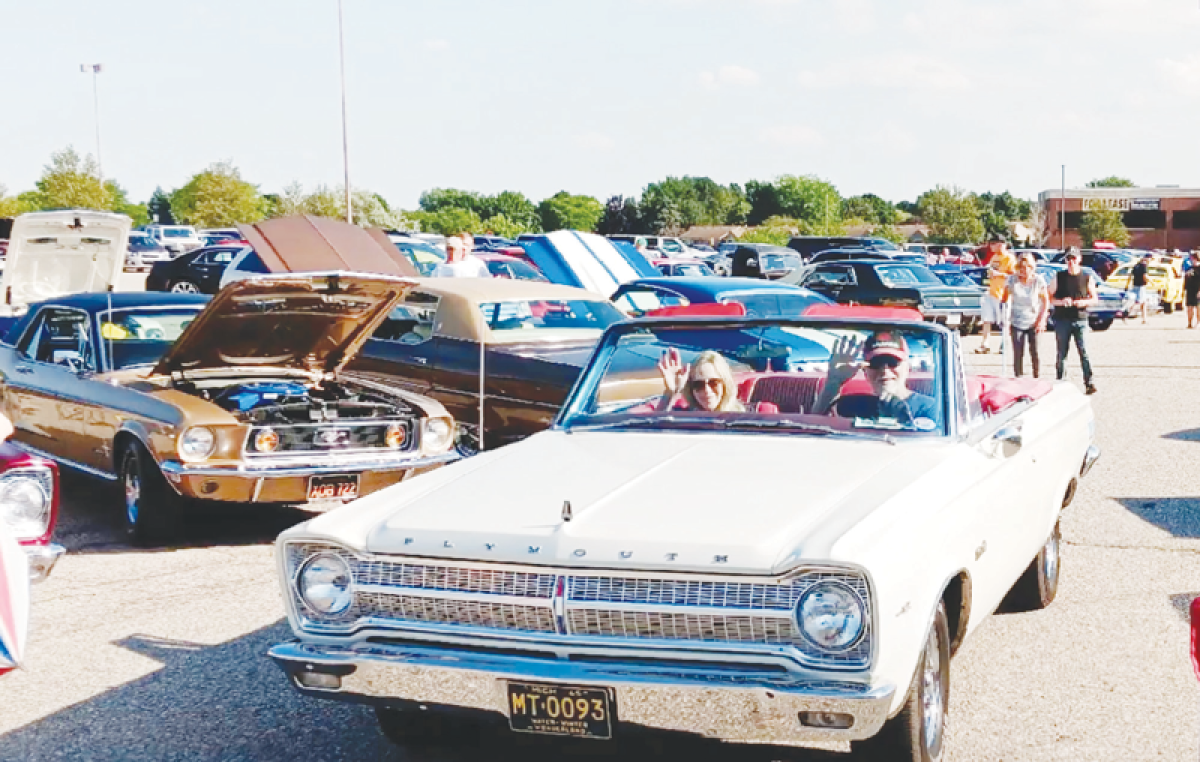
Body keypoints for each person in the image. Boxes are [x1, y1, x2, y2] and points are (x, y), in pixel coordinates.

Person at [814, 331, 938, 428]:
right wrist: (833, 382)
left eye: (892, 362)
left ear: (908, 367)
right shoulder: (852, 405)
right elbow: (812, 428)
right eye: (876, 363)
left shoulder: (930, 408)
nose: (885, 370)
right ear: (865, 371)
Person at [1052, 247, 1097, 394]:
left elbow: (1094, 299)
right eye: (1068, 259)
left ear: (1079, 259)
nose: (1071, 262)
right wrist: (1061, 302)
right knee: (1062, 353)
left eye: (1074, 258)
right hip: (1062, 319)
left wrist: (1083, 302)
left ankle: (1089, 382)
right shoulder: (1058, 277)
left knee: (1084, 352)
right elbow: (1048, 297)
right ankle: (1060, 382)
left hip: (1080, 319)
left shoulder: (1087, 277)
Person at [1003, 253, 1049, 377]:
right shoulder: (1012, 280)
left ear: (1032, 267)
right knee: (1018, 352)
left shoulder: (1038, 281)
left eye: (1027, 267)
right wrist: (1005, 319)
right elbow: (1005, 299)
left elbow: (1045, 301)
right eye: (1021, 267)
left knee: (1036, 352)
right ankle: (1019, 376)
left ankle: (1037, 376)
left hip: (1034, 320)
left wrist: (1042, 320)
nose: (1024, 270)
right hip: (1017, 320)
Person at [656, 348, 745, 412]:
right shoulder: (685, 418)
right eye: (698, 385)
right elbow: (656, 428)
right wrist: (670, 392)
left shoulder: (746, 419)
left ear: (725, 384)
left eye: (713, 383)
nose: (707, 390)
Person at [976, 234, 1015, 353]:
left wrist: (999, 275)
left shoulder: (1009, 258)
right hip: (991, 292)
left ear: (1000, 244)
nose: (990, 246)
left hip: (1003, 294)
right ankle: (985, 344)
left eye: (993, 244)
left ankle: (1004, 345)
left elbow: (1014, 276)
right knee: (986, 319)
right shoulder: (994, 257)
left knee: (1004, 321)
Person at [1130, 253, 1151, 324]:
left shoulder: (1136, 265)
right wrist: (1151, 282)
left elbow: (1131, 275)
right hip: (1141, 286)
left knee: (1144, 302)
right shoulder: (1144, 265)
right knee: (1138, 302)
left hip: (1135, 284)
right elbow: (1144, 276)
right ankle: (1126, 313)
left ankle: (1144, 319)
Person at [1185, 251, 1200, 328]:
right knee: (1189, 307)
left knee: (1198, 307)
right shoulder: (1190, 268)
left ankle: (1198, 322)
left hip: (1197, 290)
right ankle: (1189, 323)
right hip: (1189, 289)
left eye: (1192, 258)